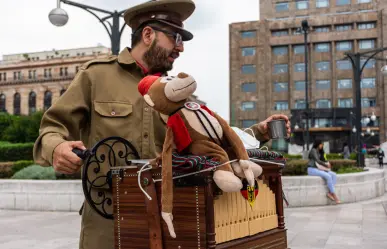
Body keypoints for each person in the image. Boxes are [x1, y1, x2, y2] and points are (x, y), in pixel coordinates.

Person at [32, 1, 291, 248]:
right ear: (148, 35)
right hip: (106, 221)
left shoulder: (173, 93)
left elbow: (209, 141)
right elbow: (52, 126)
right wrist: (56, 148)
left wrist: (259, 132)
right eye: (176, 38)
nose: (181, 48)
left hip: (169, 220)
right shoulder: (96, 75)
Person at [307, 140, 340, 204]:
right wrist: (326, 165)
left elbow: (322, 160)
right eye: (321, 144)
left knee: (334, 174)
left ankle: (330, 193)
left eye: (322, 145)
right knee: (328, 176)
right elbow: (317, 160)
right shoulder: (313, 150)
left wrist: (327, 164)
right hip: (311, 169)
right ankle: (334, 195)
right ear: (318, 144)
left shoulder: (319, 151)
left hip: (318, 169)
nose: (322, 146)